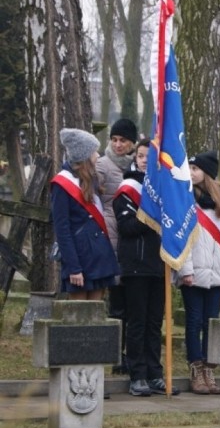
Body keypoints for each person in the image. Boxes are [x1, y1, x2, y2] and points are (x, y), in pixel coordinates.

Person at [113, 139, 177, 397]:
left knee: (154, 323)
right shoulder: (128, 189)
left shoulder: (166, 190)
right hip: (136, 264)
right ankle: (136, 374)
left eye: (149, 157)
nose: (144, 160)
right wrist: (152, 213)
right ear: (135, 158)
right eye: (140, 156)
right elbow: (127, 227)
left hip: (160, 264)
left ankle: (155, 372)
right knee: (137, 322)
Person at [178, 151, 220, 395]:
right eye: (190, 168)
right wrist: (186, 270)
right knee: (194, 322)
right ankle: (196, 369)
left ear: (207, 172)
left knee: (211, 322)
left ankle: (209, 368)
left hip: (218, 270)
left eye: (195, 169)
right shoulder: (185, 198)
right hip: (193, 271)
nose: (191, 173)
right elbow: (182, 238)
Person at [51, 128, 119, 300]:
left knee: (97, 319)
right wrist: (73, 267)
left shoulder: (92, 179)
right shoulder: (62, 184)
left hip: (99, 255)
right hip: (80, 258)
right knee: (78, 319)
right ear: (84, 156)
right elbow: (62, 230)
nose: (97, 155)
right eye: (93, 151)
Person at [97, 117, 138, 375]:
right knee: (117, 304)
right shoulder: (103, 164)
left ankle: (130, 353)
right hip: (111, 235)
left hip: (132, 239)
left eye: (123, 140)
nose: (118, 144)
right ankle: (115, 354)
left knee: (130, 302)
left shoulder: (136, 165)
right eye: (114, 140)